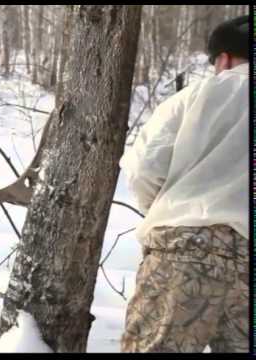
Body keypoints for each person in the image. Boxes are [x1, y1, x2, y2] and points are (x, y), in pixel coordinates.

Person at [119, 15, 249, 353]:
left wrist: (165, 210)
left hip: (185, 247)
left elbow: (145, 168)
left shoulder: (193, 97)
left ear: (224, 58)